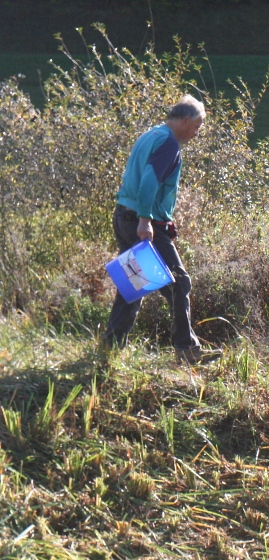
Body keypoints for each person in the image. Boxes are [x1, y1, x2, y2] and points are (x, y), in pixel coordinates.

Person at [101, 94, 219, 366]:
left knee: (133, 286)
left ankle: (110, 348)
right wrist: (146, 220)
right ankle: (186, 349)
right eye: (198, 126)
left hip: (124, 215)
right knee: (179, 282)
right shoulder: (169, 144)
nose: (197, 132)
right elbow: (148, 182)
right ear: (186, 120)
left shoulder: (151, 135)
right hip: (142, 221)